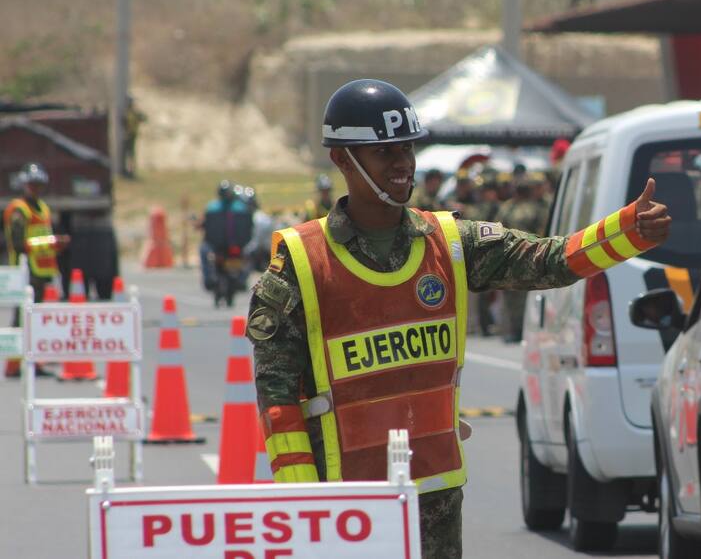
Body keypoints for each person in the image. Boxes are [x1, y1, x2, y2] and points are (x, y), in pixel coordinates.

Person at [247, 79, 671, 559]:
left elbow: (549, 260)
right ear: (342, 160)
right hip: (345, 504)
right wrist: (305, 503)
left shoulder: (449, 241)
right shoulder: (303, 262)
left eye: (407, 147)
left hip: (436, 497)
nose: (403, 162)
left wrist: (628, 231)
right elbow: (277, 397)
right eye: (384, 151)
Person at [4, 163, 65, 378]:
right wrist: (50, 242)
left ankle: (34, 362)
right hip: (24, 272)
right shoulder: (19, 210)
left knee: (35, 320)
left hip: (41, 272)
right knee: (21, 319)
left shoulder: (43, 208)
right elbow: (19, 244)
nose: (35, 189)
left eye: (38, 185)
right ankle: (12, 365)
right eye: (32, 185)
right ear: (24, 185)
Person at [497, 179, 551, 342]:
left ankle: (522, 330)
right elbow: (498, 227)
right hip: (510, 253)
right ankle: (513, 329)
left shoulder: (535, 208)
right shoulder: (508, 207)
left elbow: (542, 229)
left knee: (526, 293)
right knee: (510, 294)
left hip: (529, 251)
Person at [200, 180, 252, 291]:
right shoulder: (241, 208)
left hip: (227, 246)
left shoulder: (212, 207)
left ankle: (209, 278)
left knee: (203, 251)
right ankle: (241, 279)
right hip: (230, 246)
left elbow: (204, 224)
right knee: (249, 254)